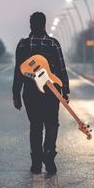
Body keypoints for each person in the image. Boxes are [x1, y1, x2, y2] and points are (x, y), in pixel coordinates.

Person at [12, 11, 70, 175]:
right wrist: (65, 89)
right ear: (44, 24)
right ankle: (49, 158)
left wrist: (16, 94)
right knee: (52, 123)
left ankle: (36, 164)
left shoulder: (23, 45)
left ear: (30, 25)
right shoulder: (53, 44)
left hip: (31, 93)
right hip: (51, 92)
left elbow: (18, 72)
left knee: (35, 126)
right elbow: (61, 68)